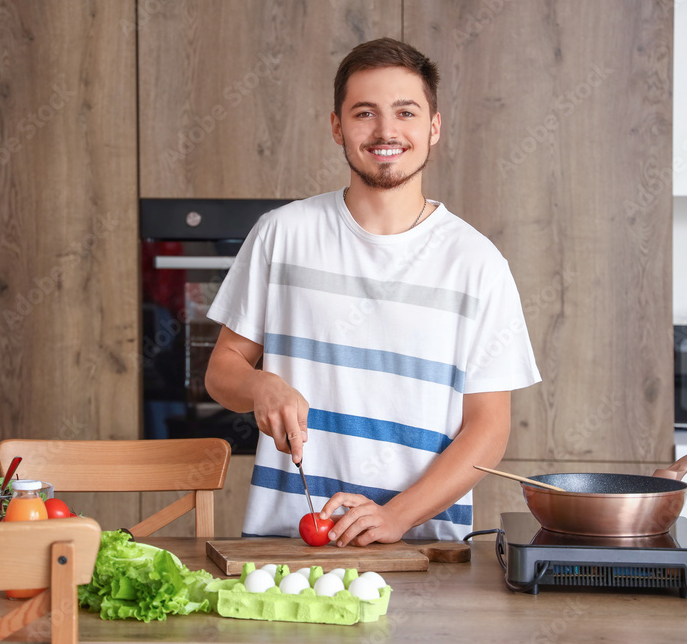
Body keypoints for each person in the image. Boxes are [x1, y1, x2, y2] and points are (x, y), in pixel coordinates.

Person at [204, 37, 540, 546]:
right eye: (365, 113)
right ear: (337, 126)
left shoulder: (479, 264)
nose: (386, 131)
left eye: (405, 112)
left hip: (424, 552)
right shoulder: (281, 233)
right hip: (287, 547)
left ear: (434, 127)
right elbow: (222, 369)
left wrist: (397, 516)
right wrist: (260, 386)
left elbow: (488, 431)